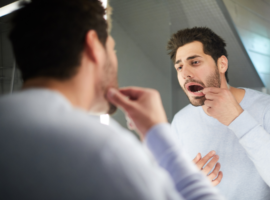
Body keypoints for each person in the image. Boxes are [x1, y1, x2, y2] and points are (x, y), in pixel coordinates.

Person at [0, 1, 226, 200]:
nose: (185, 72)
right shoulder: (101, 150)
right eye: (112, 49)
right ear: (94, 47)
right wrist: (160, 137)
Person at [167, 27, 270, 200]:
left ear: (222, 64)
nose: (185, 73)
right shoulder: (180, 121)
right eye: (179, 67)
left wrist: (238, 119)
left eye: (195, 62)